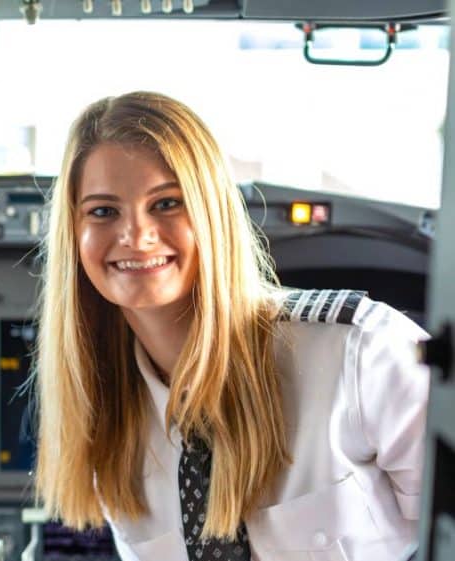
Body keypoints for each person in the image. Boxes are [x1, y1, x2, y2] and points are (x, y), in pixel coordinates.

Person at [32, 91, 429, 561]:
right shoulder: (108, 420)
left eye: (166, 203)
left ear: (213, 212)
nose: (136, 236)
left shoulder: (363, 352)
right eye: (103, 211)